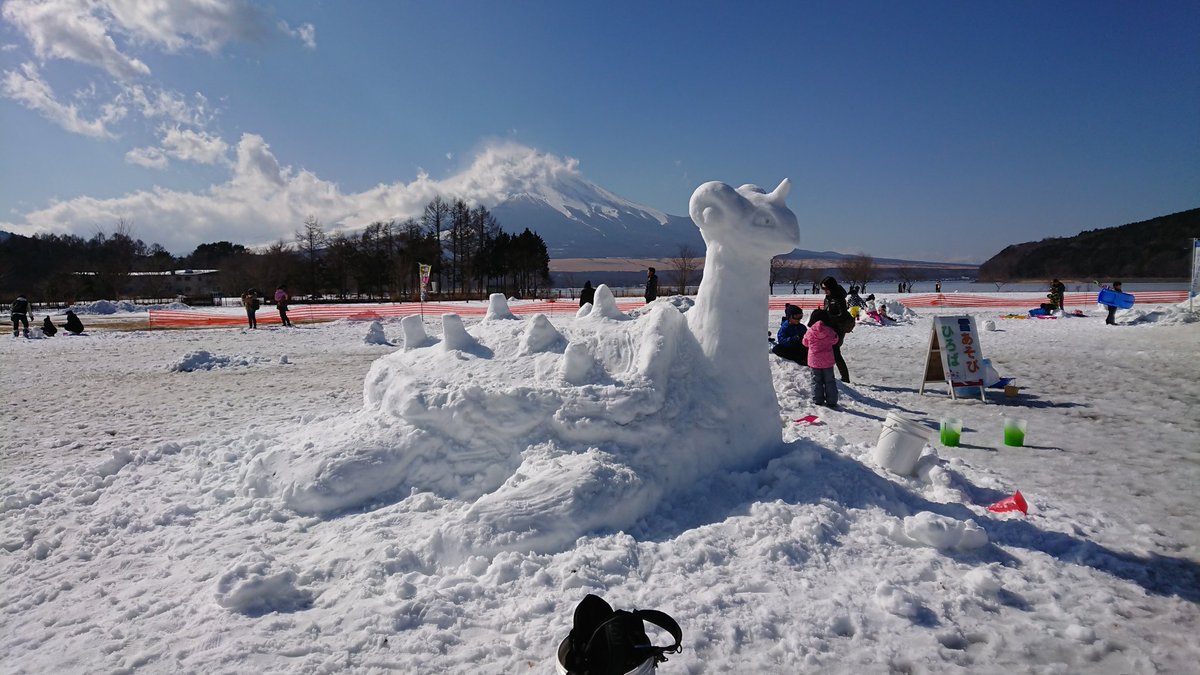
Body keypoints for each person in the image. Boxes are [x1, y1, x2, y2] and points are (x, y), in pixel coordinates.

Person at [803, 309, 841, 408]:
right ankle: (832, 401)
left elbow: (805, 343)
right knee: (830, 381)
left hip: (814, 361)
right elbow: (835, 341)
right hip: (827, 361)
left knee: (816, 381)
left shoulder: (810, 332)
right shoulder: (830, 331)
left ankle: (817, 399)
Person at [820, 275, 852, 383]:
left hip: (838, 329)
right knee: (832, 352)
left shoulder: (838, 298)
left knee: (835, 352)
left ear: (831, 287)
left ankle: (845, 378)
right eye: (823, 289)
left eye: (825, 288)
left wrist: (829, 318)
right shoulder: (828, 298)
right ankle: (834, 376)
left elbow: (842, 315)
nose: (824, 291)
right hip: (829, 328)